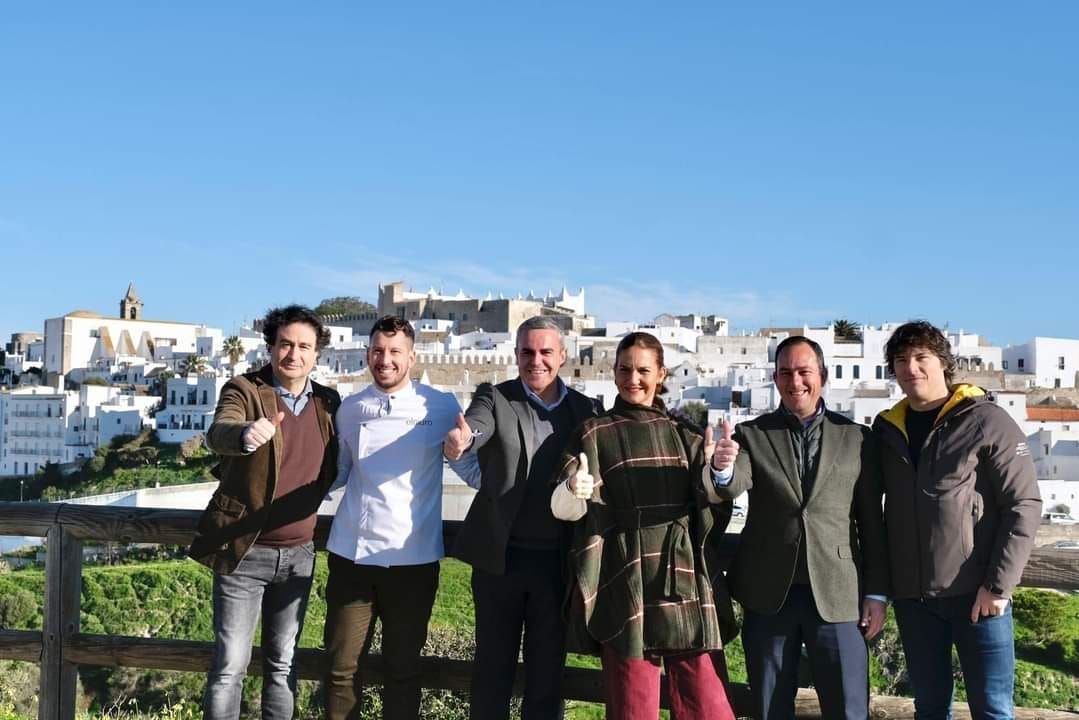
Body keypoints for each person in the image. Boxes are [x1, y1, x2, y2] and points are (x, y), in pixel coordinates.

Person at [550, 331, 737, 720]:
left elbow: (711, 507)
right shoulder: (593, 432)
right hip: (623, 575)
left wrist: (715, 472)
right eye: (624, 369)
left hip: (682, 574)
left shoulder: (684, 434)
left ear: (661, 373)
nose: (632, 379)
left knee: (707, 702)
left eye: (642, 370)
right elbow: (563, 506)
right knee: (632, 702)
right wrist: (573, 488)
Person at [710, 335, 889, 720]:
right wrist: (722, 468)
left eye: (804, 372)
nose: (796, 382)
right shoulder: (752, 435)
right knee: (769, 706)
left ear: (822, 376)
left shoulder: (857, 437)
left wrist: (876, 592)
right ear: (775, 379)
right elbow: (734, 482)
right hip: (770, 595)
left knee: (848, 707)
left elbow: (871, 522)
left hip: (840, 594)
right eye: (786, 373)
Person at [874, 321, 1042, 720]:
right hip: (914, 602)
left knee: (993, 711)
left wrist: (998, 587)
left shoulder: (986, 420)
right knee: (930, 710)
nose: (911, 368)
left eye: (921, 358)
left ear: (943, 363)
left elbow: (1025, 504)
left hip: (978, 598)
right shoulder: (886, 429)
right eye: (900, 360)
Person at [444, 316, 600, 720]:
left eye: (546, 351)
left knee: (547, 680)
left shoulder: (586, 410)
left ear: (563, 355)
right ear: (515, 355)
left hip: (557, 565)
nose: (537, 360)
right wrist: (463, 441)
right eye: (527, 352)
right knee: (491, 674)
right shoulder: (495, 397)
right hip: (501, 562)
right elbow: (477, 427)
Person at [190, 305, 340, 720]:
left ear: (317, 354)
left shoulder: (328, 402)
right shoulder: (245, 389)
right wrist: (244, 434)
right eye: (286, 344)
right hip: (244, 552)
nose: (294, 354)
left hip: (299, 555)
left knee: (283, 666)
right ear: (271, 346)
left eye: (304, 346)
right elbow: (219, 431)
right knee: (229, 668)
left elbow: (334, 464)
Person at [323, 316, 461, 720]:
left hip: (413, 561)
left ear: (412, 357)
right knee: (340, 669)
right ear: (368, 354)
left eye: (394, 351)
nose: (385, 359)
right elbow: (340, 473)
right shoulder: (349, 409)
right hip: (352, 556)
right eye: (378, 351)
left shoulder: (442, 405)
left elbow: (469, 469)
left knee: (403, 671)